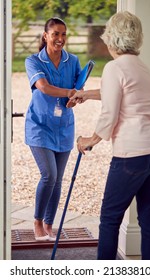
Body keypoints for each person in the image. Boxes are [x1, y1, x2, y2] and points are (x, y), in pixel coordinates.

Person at [69, 11, 150, 259]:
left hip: (132, 156)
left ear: (111, 37)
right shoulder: (141, 67)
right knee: (149, 217)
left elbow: (110, 113)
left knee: (110, 218)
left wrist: (89, 140)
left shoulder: (114, 67)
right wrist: (85, 94)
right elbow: (119, 93)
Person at [25, 17, 81, 241]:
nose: (60, 39)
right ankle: (37, 221)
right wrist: (69, 93)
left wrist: (76, 97)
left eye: (63, 34)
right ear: (45, 36)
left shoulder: (73, 60)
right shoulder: (34, 61)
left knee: (58, 179)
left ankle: (49, 223)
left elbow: (79, 87)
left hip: (64, 127)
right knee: (49, 175)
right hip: (39, 126)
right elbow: (44, 87)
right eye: (55, 34)